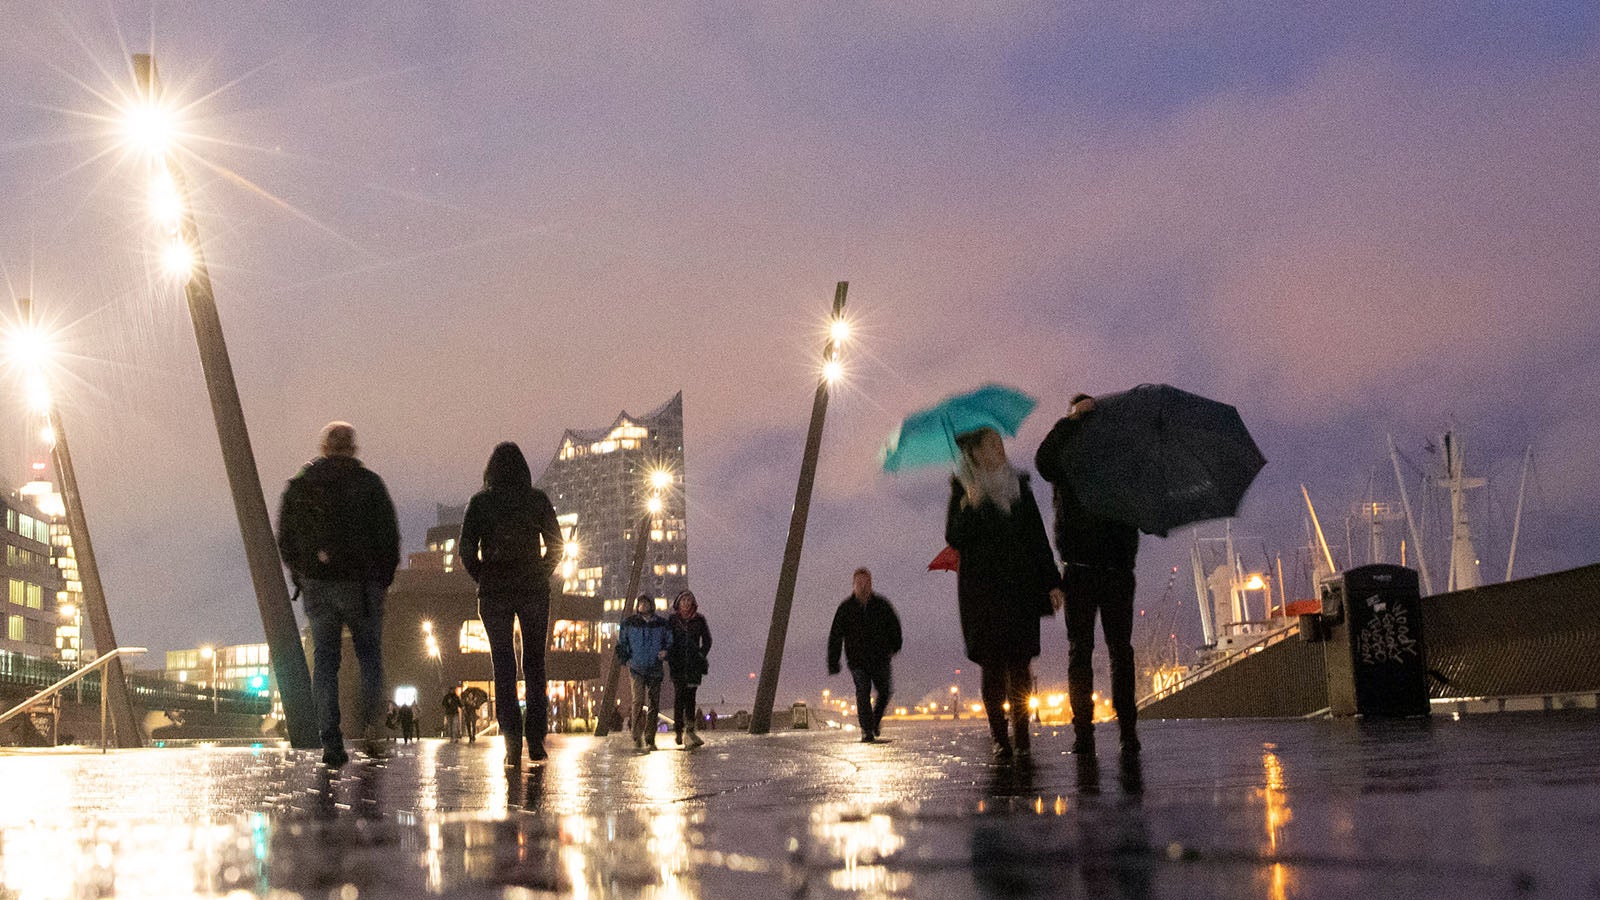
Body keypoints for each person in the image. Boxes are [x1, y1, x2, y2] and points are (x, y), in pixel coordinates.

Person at [276, 421, 400, 768]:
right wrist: (382, 580)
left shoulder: (301, 486)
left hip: (318, 585)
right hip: (362, 586)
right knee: (370, 658)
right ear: (353, 448)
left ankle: (331, 741)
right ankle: (375, 729)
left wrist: (302, 573)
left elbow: (285, 537)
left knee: (326, 663)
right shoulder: (370, 485)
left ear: (324, 448)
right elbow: (389, 537)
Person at [946, 426, 1064, 760]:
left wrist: (1053, 582)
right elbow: (954, 536)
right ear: (977, 453)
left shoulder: (1019, 487)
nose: (1000, 449)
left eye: (1000, 443)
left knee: (1021, 665)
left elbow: (1037, 539)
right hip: (983, 594)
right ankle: (1000, 737)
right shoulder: (963, 488)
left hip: (1020, 589)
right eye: (992, 445)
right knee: (993, 667)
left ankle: (1023, 735)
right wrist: (971, 503)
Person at [1036, 394, 1143, 757]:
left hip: (1115, 569)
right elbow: (1043, 461)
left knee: (1118, 652)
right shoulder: (1067, 460)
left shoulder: (1121, 460)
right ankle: (1084, 732)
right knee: (1082, 651)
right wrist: (1069, 422)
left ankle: (1127, 729)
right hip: (1080, 569)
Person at [458, 441, 565, 766]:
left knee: (503, 666)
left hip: (494, 594)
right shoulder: (537, 500)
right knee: (535, 665)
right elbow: (556, 546)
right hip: (533, 590)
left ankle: (510, 745)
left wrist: (484, 577)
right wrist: (540, 573)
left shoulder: (479, 503)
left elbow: (465, 550)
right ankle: (535, 742)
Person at [826, 568, 903, 743]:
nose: (863, 587)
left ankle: (874, 721)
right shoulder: (845, 608)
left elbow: (894, 626)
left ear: (871, 583)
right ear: (853, 585)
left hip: (880, 657)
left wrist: (895, 645)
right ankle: (867, 731)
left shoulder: (882, 605)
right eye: (859, 583)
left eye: (866, 583)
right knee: (862, 692)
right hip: (857, 660)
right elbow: (836, 636)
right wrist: (833, 661)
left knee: (885, 691)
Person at [616, 594, 673, 751]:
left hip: (655, 668)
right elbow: (622, 642)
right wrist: (625, 657)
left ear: (651, 605)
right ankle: (636, 734)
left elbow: (670, 641)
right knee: (638, 701)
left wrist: (665, 652)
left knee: (654, 704)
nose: (643, 605)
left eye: (646, 603)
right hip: (637, 667)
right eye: (641, 603)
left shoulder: (661, 624)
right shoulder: (630, 623)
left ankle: (650, 737)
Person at [666, 590, 712, 748]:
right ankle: (678, 730)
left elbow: (707, 640)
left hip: (693, 666)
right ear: (678, 603)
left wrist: (700, 655)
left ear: (693, 602)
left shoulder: (699, 620)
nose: (686, 603)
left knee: (691, 697)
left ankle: (690, 730)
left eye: (688, 600)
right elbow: (667, 639)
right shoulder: (672, 620)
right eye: (683, 600)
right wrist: (669, 654)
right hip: (677, 664)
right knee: (679, 696)